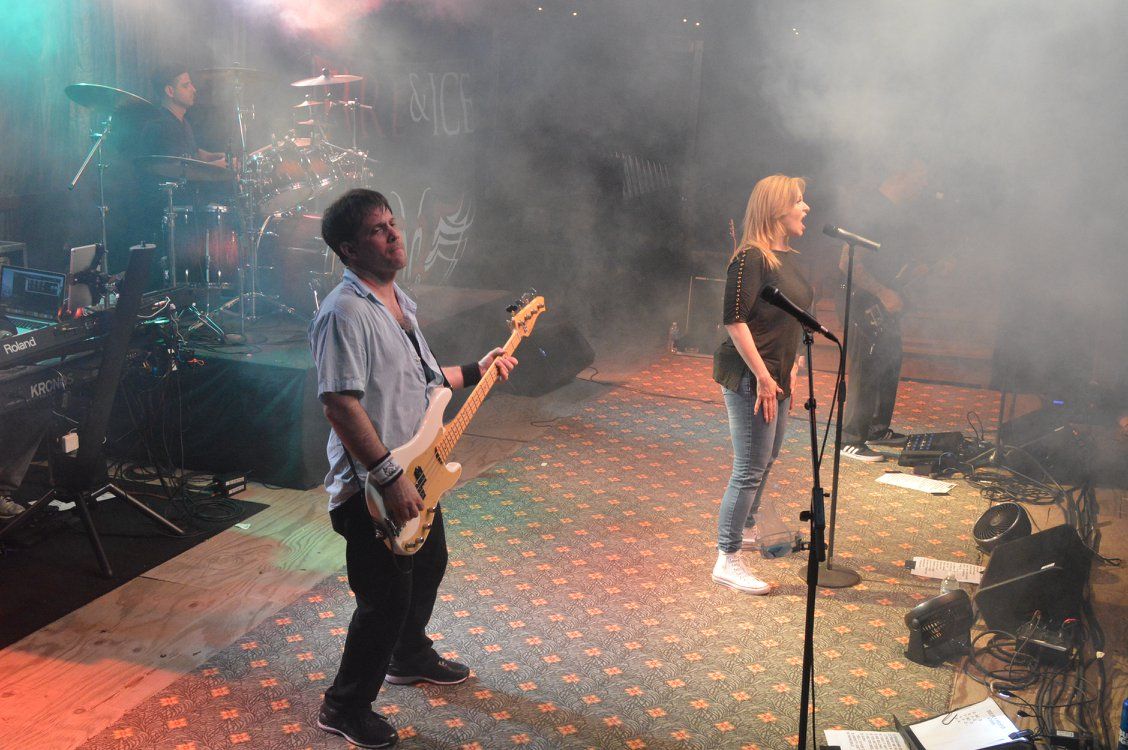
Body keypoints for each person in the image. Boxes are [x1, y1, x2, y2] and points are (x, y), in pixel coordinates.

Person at [308, 188, 517, 748]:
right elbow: (339, 403)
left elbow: (421, 381)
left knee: (429, 565)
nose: (394, 234)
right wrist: (387, 475)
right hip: (374, 486)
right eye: (378, 229)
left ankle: (408, 655)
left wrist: (478, 368)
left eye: (392, 223)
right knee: (384, 600)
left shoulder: (397, 300)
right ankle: (344, 706)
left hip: (416, 470)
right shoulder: (345, 312)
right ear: (350, 249)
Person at [711, 174, 812, 595]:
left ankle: (747, 529)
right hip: (751, 375)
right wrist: (765, 377)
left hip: (778, 374)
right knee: (749, 466)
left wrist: (794, 366)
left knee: (767, 457)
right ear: (776, 209)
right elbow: (734, 321)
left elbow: (795, 317)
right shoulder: (750, 258)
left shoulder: (786, 257)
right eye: (798, 201)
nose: (805, 208)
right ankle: (727, 558)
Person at [838, 159, 932, 462]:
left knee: (890, 361)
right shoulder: (871, 209)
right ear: (902, 174)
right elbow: (848, 262)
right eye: (920, 177)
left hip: (882, 305)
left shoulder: (897, 215)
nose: (924, 185)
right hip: (862, 304)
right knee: (864, 370)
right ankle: (850, 438)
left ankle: (876, 428)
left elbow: (889, 268)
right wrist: (882, 292)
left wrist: (917, 272)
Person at [144, 64, 227, 165]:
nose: (193, 89)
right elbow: (175, 168)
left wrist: (212, 156)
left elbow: (191, 153)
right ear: (170, 91)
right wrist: (216, 166)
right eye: (186, 86)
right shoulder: (159, 127)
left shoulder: (183, 123)